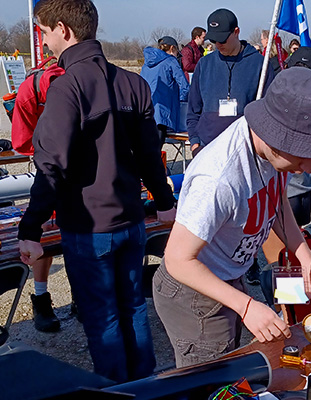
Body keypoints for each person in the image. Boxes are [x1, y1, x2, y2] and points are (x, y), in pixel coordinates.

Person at [18, 0, 176, 383]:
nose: (44, 40)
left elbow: (51, 164)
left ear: (64, 30)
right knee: (133, 307)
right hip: (130, 220)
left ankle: (117, 389)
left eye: (45, 32)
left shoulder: (65, 87)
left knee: (104, 315)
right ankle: (144, 384)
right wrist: (163, 201)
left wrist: (30, 228)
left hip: (89, 229)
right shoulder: (132, 82)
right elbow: (150, 156)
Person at [153, 67, 311, 367]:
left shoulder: (272, 152)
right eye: (304, 155)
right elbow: (177, 260)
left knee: (235, 357)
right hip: (193, 289)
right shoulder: (219, 178)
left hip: (228, 273)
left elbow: (278, 202)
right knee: (215, 379)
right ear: (275, 138)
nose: (310, 167)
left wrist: (307, 258)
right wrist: (247, 306)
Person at [11, 56, 64, 332]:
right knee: (46, 229)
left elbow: (21, 142)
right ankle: (42, 297)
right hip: (55, 169)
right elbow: (21, 142)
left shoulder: (33, 87)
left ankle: (51, 297)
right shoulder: (31, 90)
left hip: (67, 170)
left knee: (62, 231)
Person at [262, 47, 311, 264]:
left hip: (288, 193)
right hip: (300, 192)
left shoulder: (277, 102)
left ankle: (287, 295)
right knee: (291, 260)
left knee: (282, 263)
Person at [187, 8, 274, 157]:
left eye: (222, 39)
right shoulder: (204, 64)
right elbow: (193, 110)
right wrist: (195, 144)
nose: (218, 44)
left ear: (236, 31)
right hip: (207, 148)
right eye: (213, 40)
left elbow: (269, 110)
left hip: (245, 149)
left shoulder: (260, 64)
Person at [141, 36, 189, 146]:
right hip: (163, 112)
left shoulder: (146, 64)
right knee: (156, 151)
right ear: (173, 48)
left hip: (145, 110)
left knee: (147, 148)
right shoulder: (171, 61)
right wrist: (182, 101)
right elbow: (185, 86)